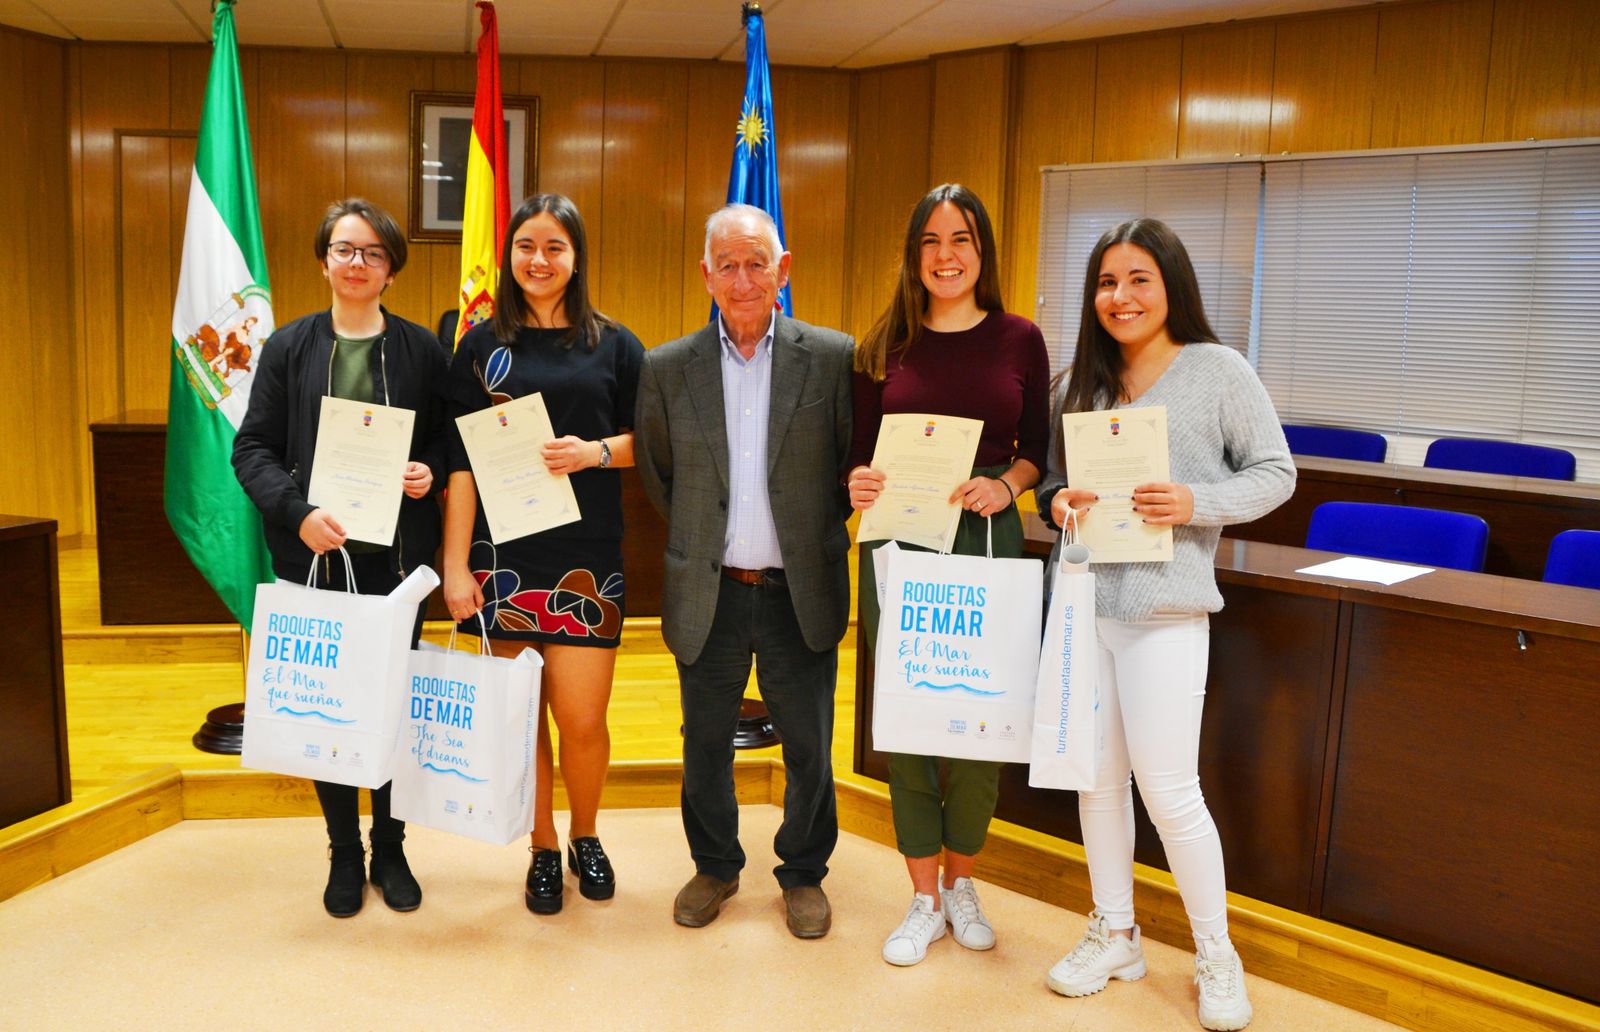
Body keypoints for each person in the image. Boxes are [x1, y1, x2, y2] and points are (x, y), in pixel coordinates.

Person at [1035, 218, 1294, 1031]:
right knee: (1097, 781)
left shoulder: (1218, 371)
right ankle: (1115, 933)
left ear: (1171, 284)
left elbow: (1277, 473)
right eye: (1108, 282)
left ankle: (1216, 952)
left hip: (1165, 609)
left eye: (1139, 279)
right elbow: (1051, 479)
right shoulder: (1081, 380)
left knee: (1170, 792)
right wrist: (1056, 500)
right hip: (1084, 606)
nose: (1121, 296)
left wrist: (1197, 503)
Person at [634, 203, 854, 940]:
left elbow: (847, 467)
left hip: (801, 590)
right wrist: (708, 541)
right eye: (727, 264)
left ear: (783, 269)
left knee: (808, 744)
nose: (743, 277)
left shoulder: (831, 357)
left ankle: (802, 873)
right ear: (706, 275)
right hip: (711, 586)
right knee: (703, 744)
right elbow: (662, 478)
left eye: (757, 261)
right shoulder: (667, 367)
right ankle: (716, 864)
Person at [846, 183, 1051, 966]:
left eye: (960, 239)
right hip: (900, 545)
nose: (945, 256)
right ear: (913, 254)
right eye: (930, 241)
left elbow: (1037, 448)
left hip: (986, 540)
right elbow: (855, 457)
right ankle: (922, 896)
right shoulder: (883, 345)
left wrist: (1009, 484)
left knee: (976, 720)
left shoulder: (1019, 338)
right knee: (906, 723)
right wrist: (855, 484)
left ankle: (963, 880)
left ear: (982, 251)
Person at [233, 197, 448, 918]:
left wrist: (428, 472)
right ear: (324, 259)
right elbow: (252, 448)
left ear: (392, 270)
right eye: (345, 249)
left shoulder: (422, 350)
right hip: (314, 563)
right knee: (329, 714)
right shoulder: (289, 347)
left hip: (395, 570)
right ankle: (343, 849)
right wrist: (296, 515)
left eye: (373, 254)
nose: (358, 263)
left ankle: (390, 844)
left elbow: (448, 444)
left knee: (389, 707)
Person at [440, 193, 644, 916]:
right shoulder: (478, 346)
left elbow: (651, 441)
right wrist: (456, 566)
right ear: (510, 254)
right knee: (521, 717)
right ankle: (543, 845)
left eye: (555, 246)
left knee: (582, 720)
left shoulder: (614, 343)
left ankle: (587, 833)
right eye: (527, 245)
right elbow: (459, 462)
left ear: (577, 256)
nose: (539, 259)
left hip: (587, 556)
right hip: (502, 560)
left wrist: (590, 453)